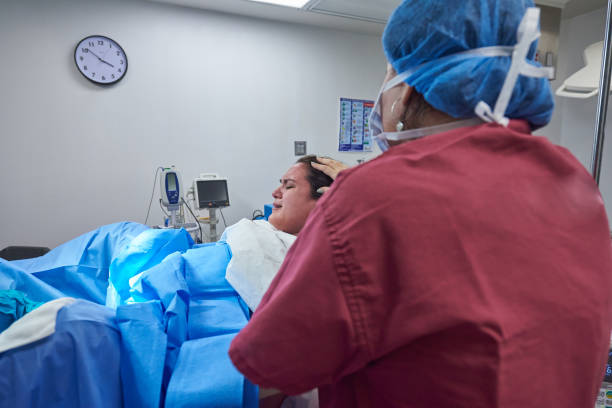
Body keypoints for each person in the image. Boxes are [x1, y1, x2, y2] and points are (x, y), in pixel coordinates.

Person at [229, 1, 612, 407]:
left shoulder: (371, 197)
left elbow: (272, 362)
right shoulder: (574, 180)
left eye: (390, 71)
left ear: (409, 87)